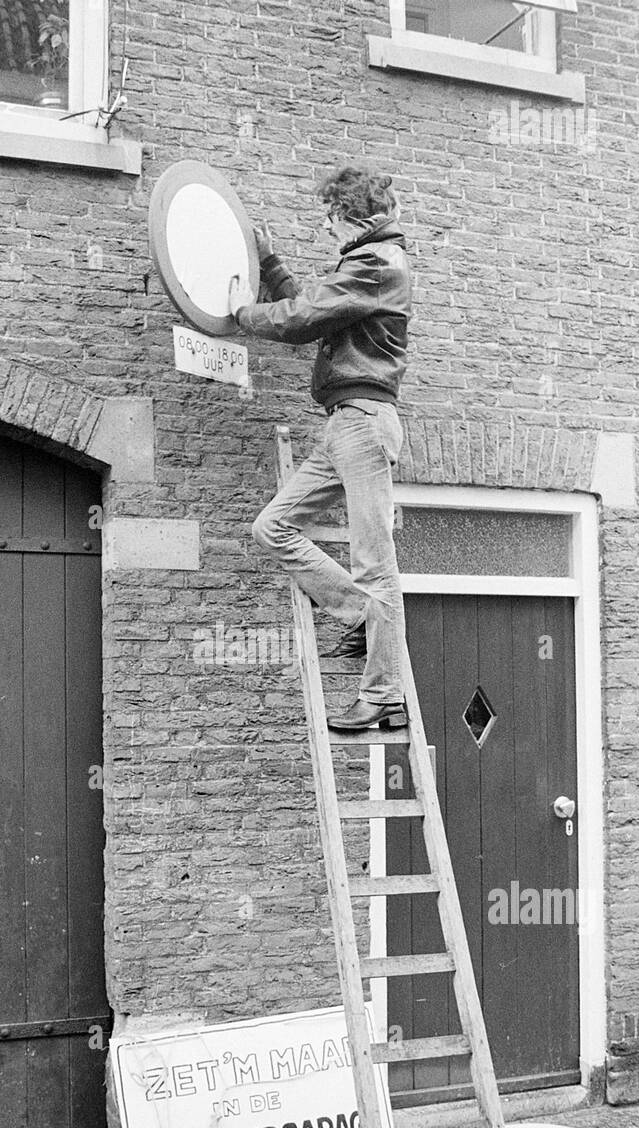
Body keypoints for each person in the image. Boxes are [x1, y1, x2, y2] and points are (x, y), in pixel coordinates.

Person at [229, 166, 412, 731]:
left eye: (330, 217)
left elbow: (303, 318)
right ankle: (360, 615)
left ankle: (383, 695)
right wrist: (271, 266)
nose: (327, 228)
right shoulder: (363, 265)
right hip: (344, 425)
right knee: (272, 526)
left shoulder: (378, 264)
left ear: (349, 215)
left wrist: (239, 315)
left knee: (374, 564)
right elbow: (314, 307)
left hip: (362, 421)